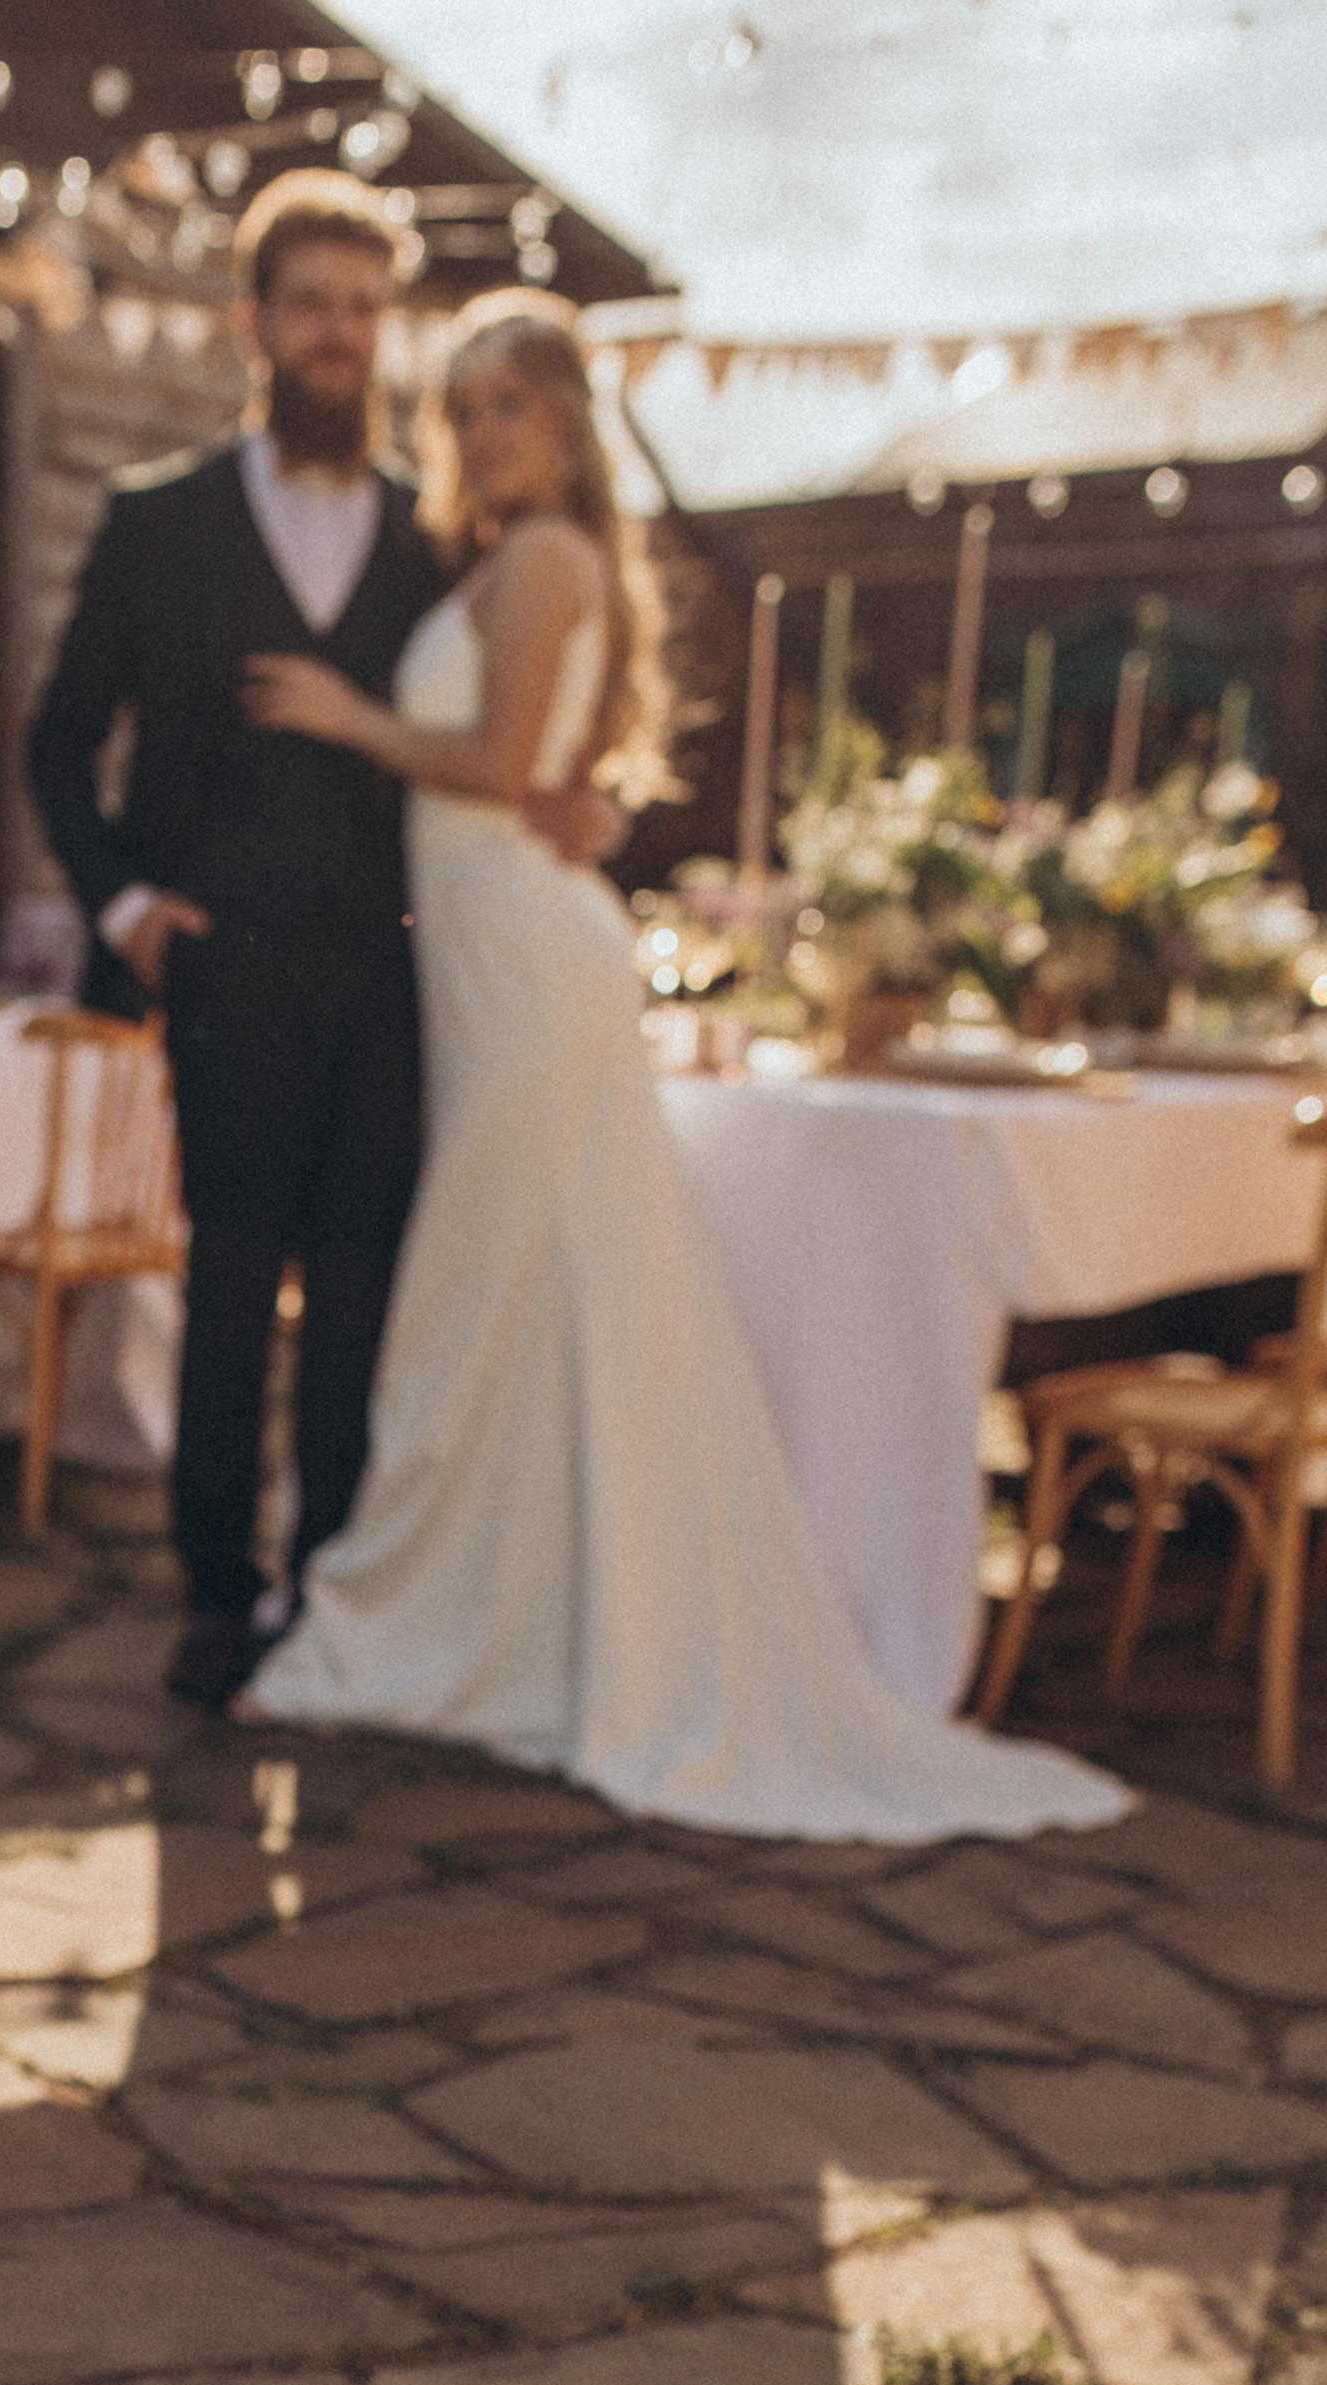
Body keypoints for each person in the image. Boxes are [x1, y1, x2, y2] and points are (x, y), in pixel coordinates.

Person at [235, 295, 1130, 1842]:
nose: (478, 438)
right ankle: (522, 1625)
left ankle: (473, 1634)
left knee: (484, 1284)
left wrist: (349, 718)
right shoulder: (518, 562)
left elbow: (497, 771)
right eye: (460, 412)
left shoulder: (548, 559)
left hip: (522, 957)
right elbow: (558, 778)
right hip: (497, 949)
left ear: (565, 422)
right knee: (532, 1295)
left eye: (505, 407)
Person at [25, 178, 615, 1712]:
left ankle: (339, 1586)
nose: (340, 335)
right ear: (255, 325)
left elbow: (504, 715)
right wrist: (127, 908)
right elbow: (58, 741)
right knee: (229, 1290)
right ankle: (217, 1592)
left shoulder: (435, 546)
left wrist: (574, 797)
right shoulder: (160, 524)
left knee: (363, 1297)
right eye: (312, 304)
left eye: (364, 307)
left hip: (397, 982)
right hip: (224, 979)